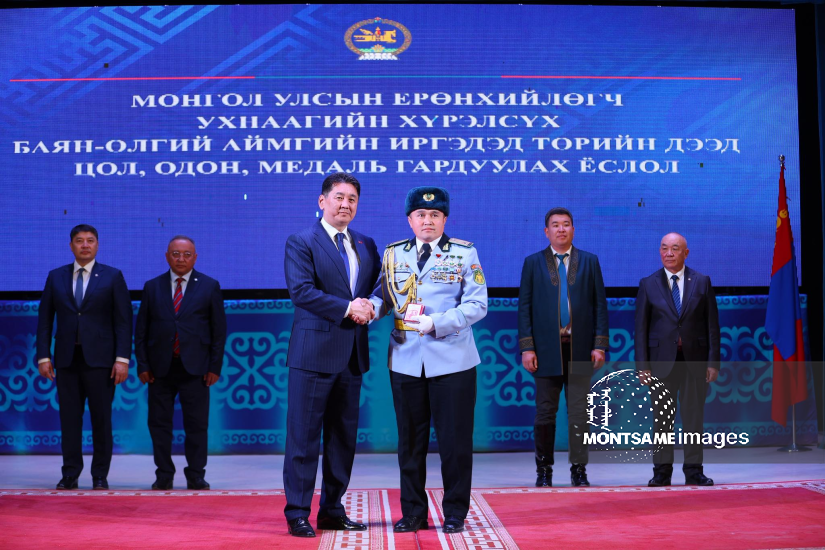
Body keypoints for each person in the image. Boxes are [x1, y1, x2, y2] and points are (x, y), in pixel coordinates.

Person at [369, 186, 487, 535]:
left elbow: (477, 304)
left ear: (444, 219)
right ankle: (413, 512)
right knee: (410, 443)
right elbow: (384, 295)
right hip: (406, 359)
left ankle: (455, 512)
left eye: (435, 214)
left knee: (454, 442)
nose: (427, 220)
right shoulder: (393, 253)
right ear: (410, 219)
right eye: (420, 214)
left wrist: (438, 322)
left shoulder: (464, 253)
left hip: (453, 360)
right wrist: (369, 309)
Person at [282, 172, 381, 538]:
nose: (345, 204)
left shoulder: (366, 243)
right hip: (313, 356)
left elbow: (380, 285)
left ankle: (332, 510)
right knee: (303, 438)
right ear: (322, 201)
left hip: (351, 356)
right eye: (339, 197)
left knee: (342, 439)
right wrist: (348, 308)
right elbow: (301, 291)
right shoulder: (301, 241)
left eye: (352, 199)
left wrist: (372, 305)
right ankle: (297, 513)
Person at [36, 224, 132, 490]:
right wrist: (43, 356)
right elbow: (45, 320)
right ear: (71, 246)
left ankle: (100, 475)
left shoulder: (112, 276)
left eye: (90, 240)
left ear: (97, 245)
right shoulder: (55, 276)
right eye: (79, 240)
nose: (85, 245)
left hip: (102, 361)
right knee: (69, 420)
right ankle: (70, 473)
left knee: (101, 420)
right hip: (66, 360)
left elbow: (123, 321)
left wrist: (122, 359)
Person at [517, 207, 608, 487]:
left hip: (580, 349)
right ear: (547, 231)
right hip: (546, 350)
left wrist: (599, 345)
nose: (561, 229)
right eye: (555, 225)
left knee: (579, 413)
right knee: (545, 412)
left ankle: (579, 470)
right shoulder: (533, 263)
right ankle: (543, 471)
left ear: (573, 230)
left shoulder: (589, 261)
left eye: (566, 224)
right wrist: (527, 348)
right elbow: (524, 308)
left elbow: (600, 306)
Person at [134, 236, 227, 491]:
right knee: (159, 424)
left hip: (196, 369)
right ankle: (164, 474)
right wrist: (143, 365)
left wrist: (214, 367)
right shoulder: (152, 287)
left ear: (195, 257)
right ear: (167, 257)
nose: (181, 259)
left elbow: (218, 331)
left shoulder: (209, 286)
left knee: (196, 425)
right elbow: (141, 331)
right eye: (175, 254)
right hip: (159, 369)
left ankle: (196, 474)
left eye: (187, 254)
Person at [635, 232, 720, 487]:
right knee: (662, 420)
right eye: (664, 248)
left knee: (694, 418)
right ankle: (661, 472)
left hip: (695, 361)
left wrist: (712, 362)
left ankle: (694, 471)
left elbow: (712, 326)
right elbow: (641, 329)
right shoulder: (648, 284)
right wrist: (643, 366)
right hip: (661, 363)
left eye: (674, 248)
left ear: (686, 253)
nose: (668, 253)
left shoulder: (702, 282)